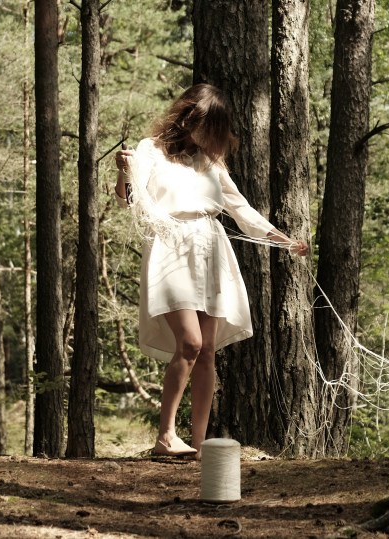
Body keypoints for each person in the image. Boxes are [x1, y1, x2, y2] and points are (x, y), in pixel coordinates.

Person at [114, 83, 309, 458]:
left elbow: (241, 209)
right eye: (211, 126)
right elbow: (128, 199)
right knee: (189, 342)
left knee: (206, 352)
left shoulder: (210, 162)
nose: (214, 136)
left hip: (210, 249)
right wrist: (124, 172)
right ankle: (166, 437)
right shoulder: (150, 150)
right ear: (190, 117)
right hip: (170, 246)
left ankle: (200, 444)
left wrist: (284, 241)